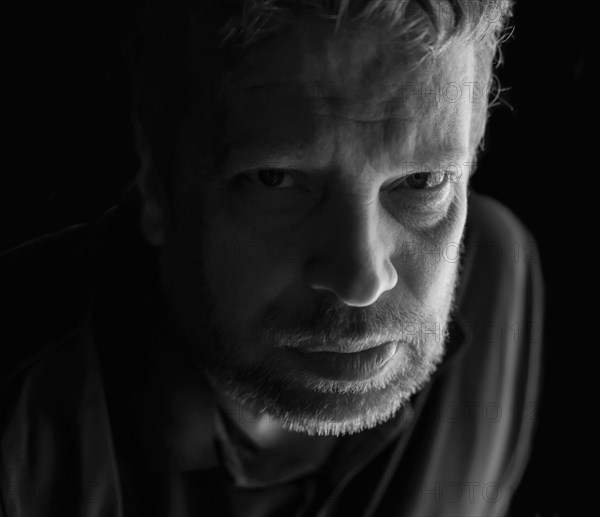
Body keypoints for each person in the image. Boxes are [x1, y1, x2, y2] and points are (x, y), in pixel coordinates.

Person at [0, 0, 544, 515]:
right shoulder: (19, 425)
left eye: (423, 181)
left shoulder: (495, 277)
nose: (362, 279)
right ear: (156, 180)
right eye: (276, 179)